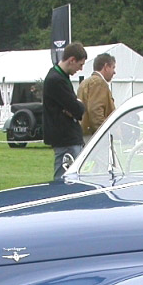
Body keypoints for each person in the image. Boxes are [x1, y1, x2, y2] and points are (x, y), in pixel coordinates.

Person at [43, 42, 87, 181]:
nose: (80, 69)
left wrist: (75, 106)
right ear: (71, 60)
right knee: (65, 179)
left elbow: (74, 107)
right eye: (80, 65)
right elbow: (78, 110)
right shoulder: (56, 80)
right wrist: (77, 106)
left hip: (68, 137)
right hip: (65, 139)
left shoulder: (61, 77)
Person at [77, 52, 116, 142]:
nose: (114, 72)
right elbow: (96, 111)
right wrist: (103, 134)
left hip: (85, 134)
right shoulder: (99, 83)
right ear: (106, 67)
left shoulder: (85, 82)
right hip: (94, 136)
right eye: (113, 67)